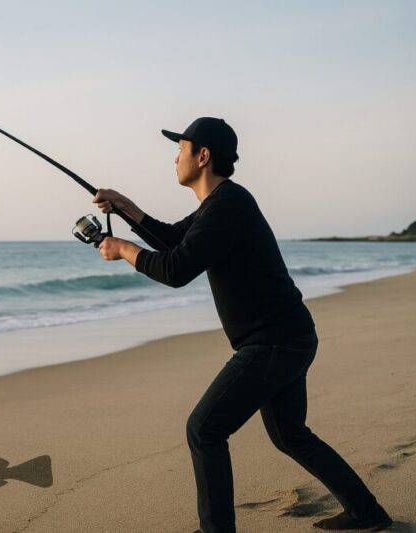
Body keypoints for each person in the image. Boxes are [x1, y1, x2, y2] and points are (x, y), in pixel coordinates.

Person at [92, 117, 392, 533]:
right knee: (290, 435)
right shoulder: (218, 206)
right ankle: (367, 513)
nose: (174, 156)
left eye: (180, 148)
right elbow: (171, 240)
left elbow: (176, 269)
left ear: (203, 156)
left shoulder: (228, 205)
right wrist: (125, 207)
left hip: (273, 342)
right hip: (287, 337)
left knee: (205, 429)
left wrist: (123, 249)